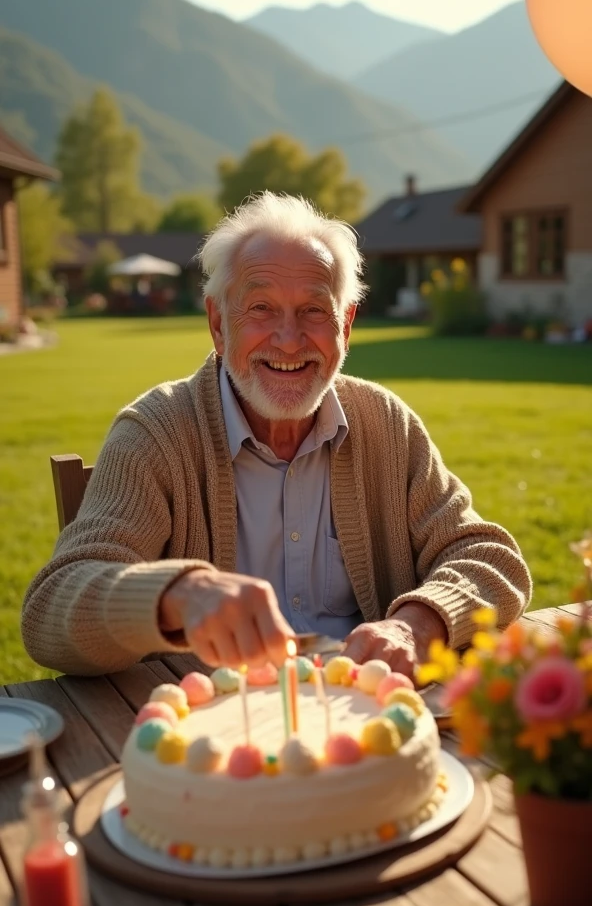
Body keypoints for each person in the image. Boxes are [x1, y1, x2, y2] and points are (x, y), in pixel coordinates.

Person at [21, 193, 531, 677]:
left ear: (345, 326)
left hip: (362, 721)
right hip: (212, 737)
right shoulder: (156, 433)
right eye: (261, 308)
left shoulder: (386, 425)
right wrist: (180, 593)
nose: (289, 340)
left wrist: (417, 626)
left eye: (314, 310)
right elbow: (51, 612)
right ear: (219, 324)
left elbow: (490, 558)